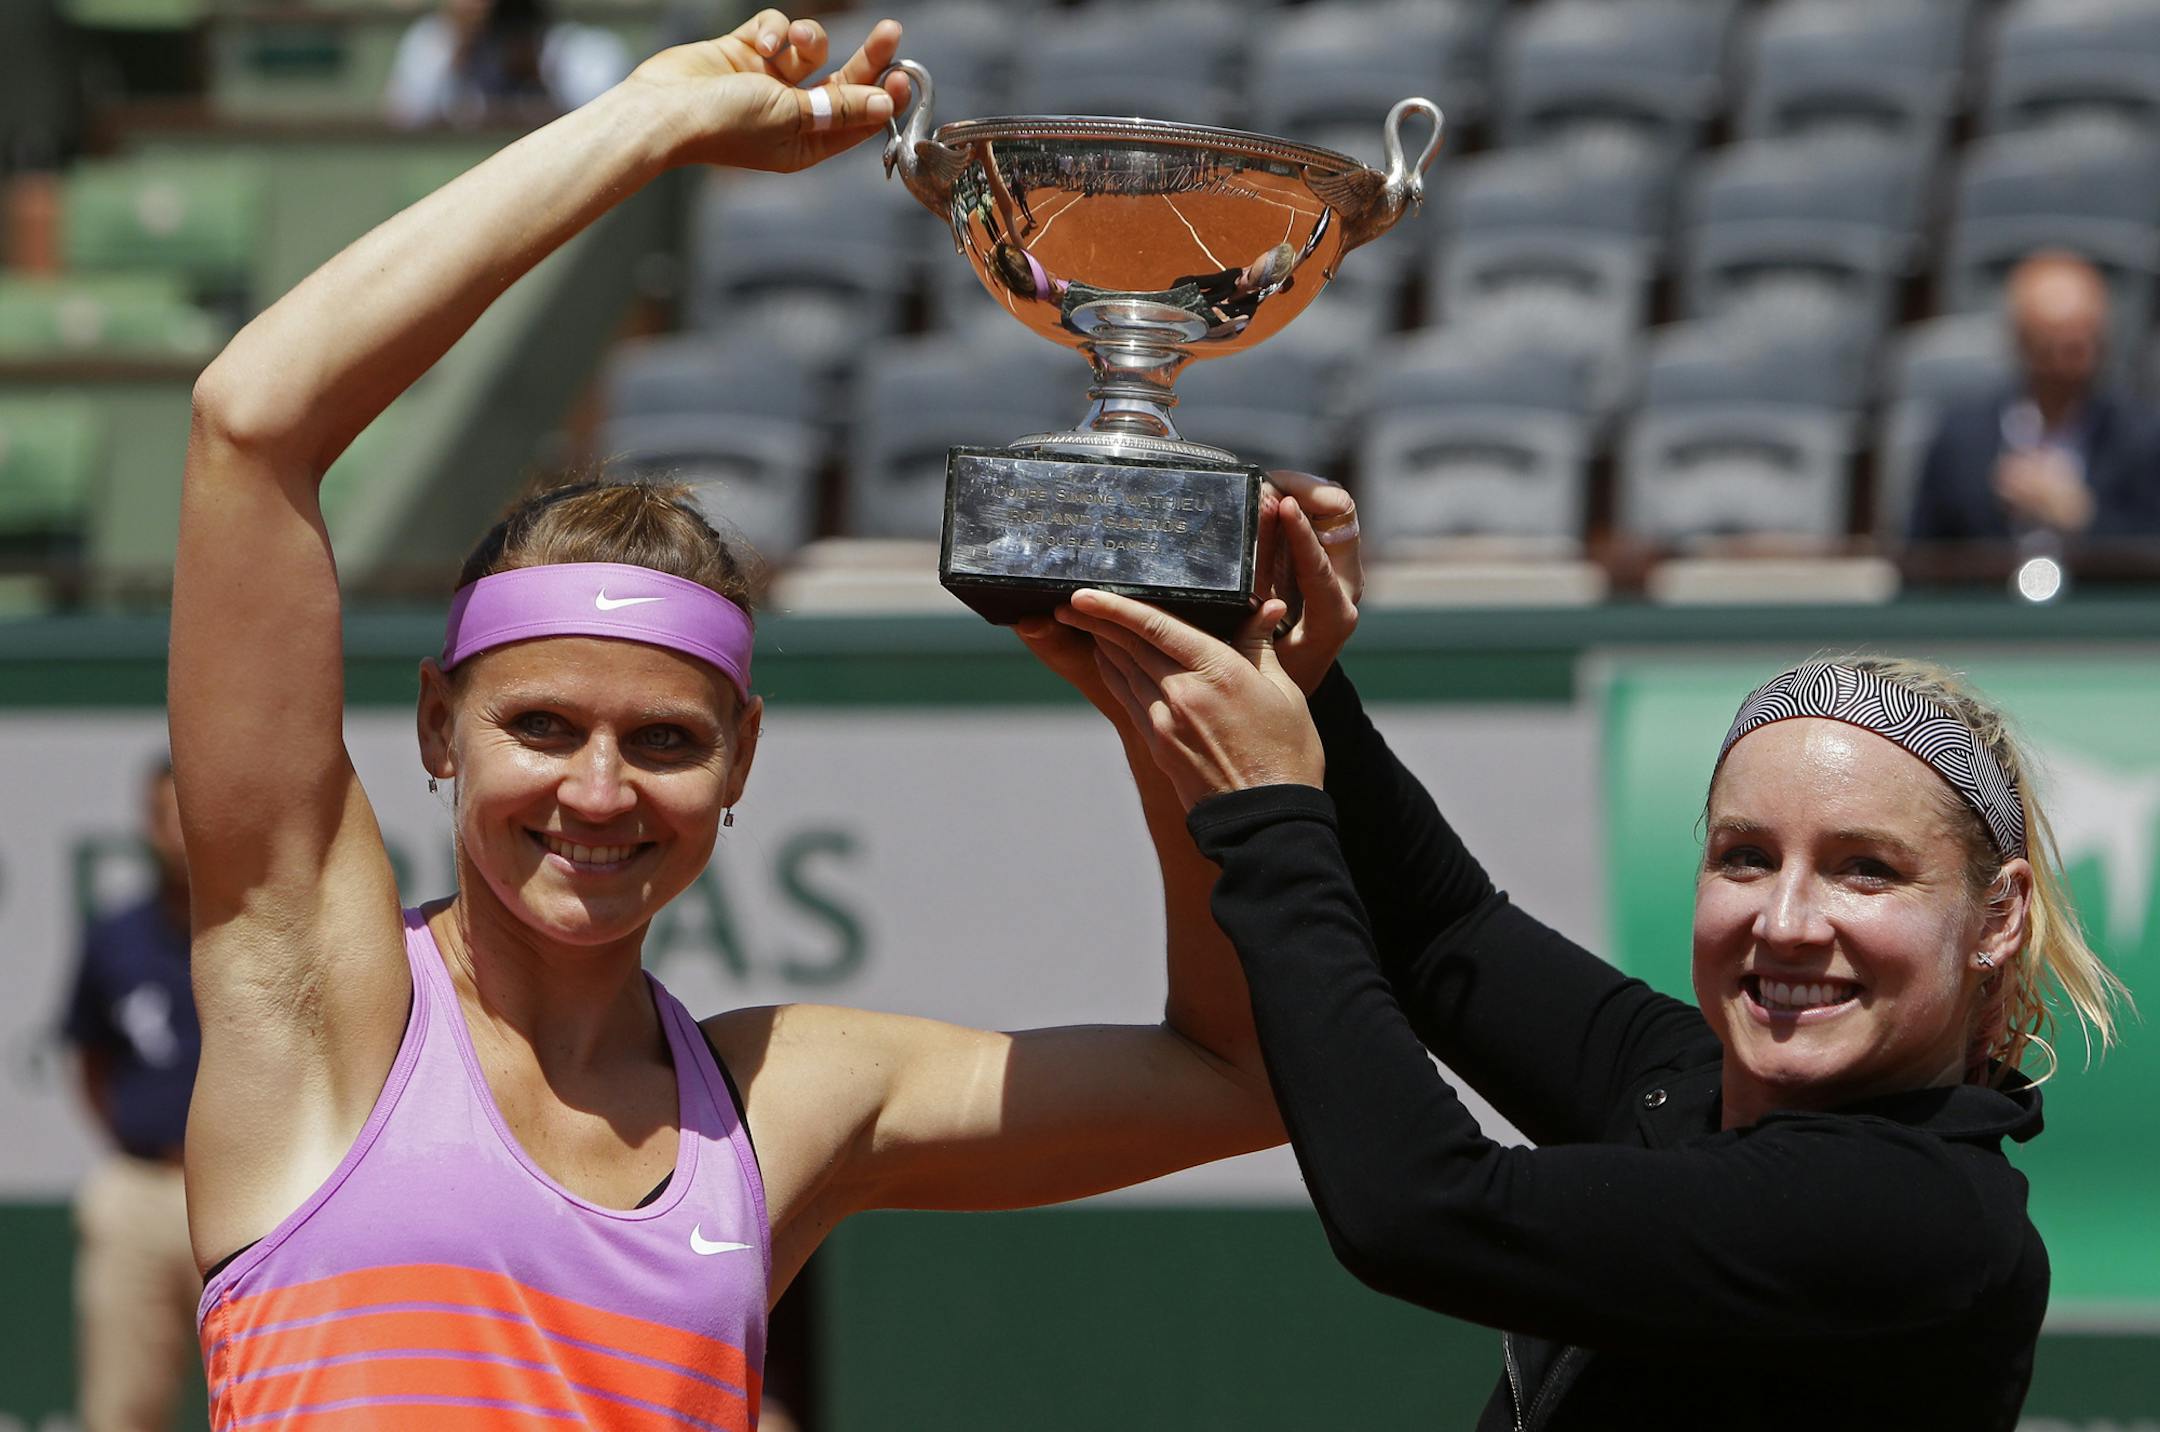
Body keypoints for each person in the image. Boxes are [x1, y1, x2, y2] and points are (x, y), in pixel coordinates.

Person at [175, 14, 1287, 1427]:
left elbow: (1236, 1076)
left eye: (664, 743)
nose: (596, 791)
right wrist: (647, 128)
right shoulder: (324, 1010)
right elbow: (250, 420)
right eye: (542, 727)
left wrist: (1164, 705)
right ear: (440, 727)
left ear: (741, 758)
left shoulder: (782, 1105)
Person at [1054, 498, 2131, 1430]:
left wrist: (1270, 815)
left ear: (1999, 918)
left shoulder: (1913, 1212)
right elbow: (1446, 933)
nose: (1789, 920)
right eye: (1747, 858)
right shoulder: (1693, 1088)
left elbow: (1422, 1208)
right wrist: (1292, 672)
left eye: (1865, 871)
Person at [59, 756, 202, 1432]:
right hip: (141, 1186)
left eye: (187, 812)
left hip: (253, 1195)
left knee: (270, 1398)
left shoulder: (262, 928)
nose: (175, 831)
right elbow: (88, 1055)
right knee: (122, 1410)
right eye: (160, 814)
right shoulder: (115, 935)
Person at [1909, 250, 2160, 545]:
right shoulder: (1961, 438)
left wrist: (2081, 516)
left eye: (2076, 349)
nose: (2061, 368)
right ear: (2019, 342)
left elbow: (2150, 552)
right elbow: (1920, 556)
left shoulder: (2142, 438)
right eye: (2047, 350)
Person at [385, 0, 632, 130]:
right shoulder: (438, 40)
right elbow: (404, 114)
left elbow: (609, 119)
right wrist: (459, 43)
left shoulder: (586, 50)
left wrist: (538, 66)